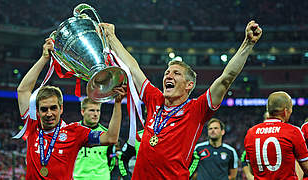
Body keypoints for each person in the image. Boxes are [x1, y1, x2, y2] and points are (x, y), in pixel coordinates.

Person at [99, 20, 262, 179]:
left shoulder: (197, 109)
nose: (168, 76)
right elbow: (133, 68)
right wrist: (111, 36)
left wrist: (247, 44)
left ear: (189, 85)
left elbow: (226, 78)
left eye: (176, 73)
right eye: (167, 73)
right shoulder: (155, 98)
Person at [16, 38, 126, 179]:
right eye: (44, 109)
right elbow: (23, 91)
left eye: (53, 108)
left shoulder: (74, 132)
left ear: (61, 109)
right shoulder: (32, 127)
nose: (49, 113)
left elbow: (110, 138)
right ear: (37, 112)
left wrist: (117, 103)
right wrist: (44, 58)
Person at [244, 91, 308, 179]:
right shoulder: (293, 131)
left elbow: (252, 170)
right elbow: (306, 167)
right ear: (285, 111)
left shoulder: (251, 133)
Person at [73, 97, 119, 179]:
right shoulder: (72, 132)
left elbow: (111, 161)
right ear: (83, 112)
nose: (96, 114)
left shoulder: (106, 135)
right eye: (92, 110)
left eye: (98, 110)